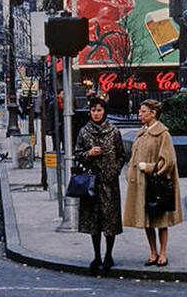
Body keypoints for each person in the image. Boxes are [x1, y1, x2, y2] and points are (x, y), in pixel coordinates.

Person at [124, 98, 181, 267]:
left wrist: (148, 168)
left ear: (153, 113)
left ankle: (163, 253)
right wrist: (131, 173)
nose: (139, 114)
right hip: (142, 183)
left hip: (157, 183)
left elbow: (168, 161)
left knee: (161, 220)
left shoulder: (163, 134)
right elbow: (134, 157)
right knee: (147, 220)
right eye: (140, 111)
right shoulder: (141, 133)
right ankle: (153, 252)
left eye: (143, 111)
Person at [74, 98, 125, 275]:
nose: (96, 113)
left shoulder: (114, 131)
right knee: (93, 221)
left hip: (109, 183)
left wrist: (115, 170)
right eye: (93, 110)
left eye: (99, 110)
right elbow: (77, 154)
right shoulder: (84, 132)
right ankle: (96, 255)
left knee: (110, 221)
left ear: (105, 112)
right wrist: (89, 153)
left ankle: (108, 255)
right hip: (91, 183)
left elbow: (121, 155)